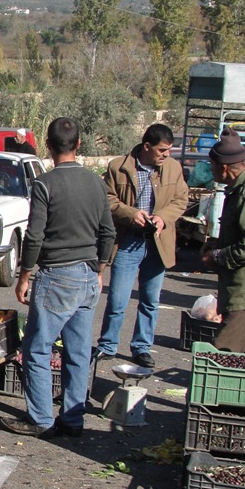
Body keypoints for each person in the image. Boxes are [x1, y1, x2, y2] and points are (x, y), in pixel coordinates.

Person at [3, 118, 114, 439]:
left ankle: (41, 418)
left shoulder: (45, 184)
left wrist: (24, 276)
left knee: (37, 349)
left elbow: (34, 236)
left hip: (57, 276)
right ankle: (73, 419)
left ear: (48, 147)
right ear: (79, 144)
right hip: (87, 276)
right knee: (78, 353)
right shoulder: (96, 183)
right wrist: (99, 271)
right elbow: (108, 232)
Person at [94, 124, 188, 369]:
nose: (166, 154)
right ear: (147, 146)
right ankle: (108, 345)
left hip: (158, 243)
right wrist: (131, 214)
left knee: (150, 300)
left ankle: (142, 347)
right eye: (162, 150)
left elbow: (181, 199)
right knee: (117, 299)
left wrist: (163, 218)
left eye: (169, 150)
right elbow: (107, 199)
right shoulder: (118, 167)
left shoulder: (173, 168)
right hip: (128, 242)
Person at [202, 128, 245, 351]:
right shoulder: (239, 188)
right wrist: (217, 243)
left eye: (212, 165)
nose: (210, 170)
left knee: (223, 354)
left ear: (224, 167)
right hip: (241, 291)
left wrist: (218, 256)